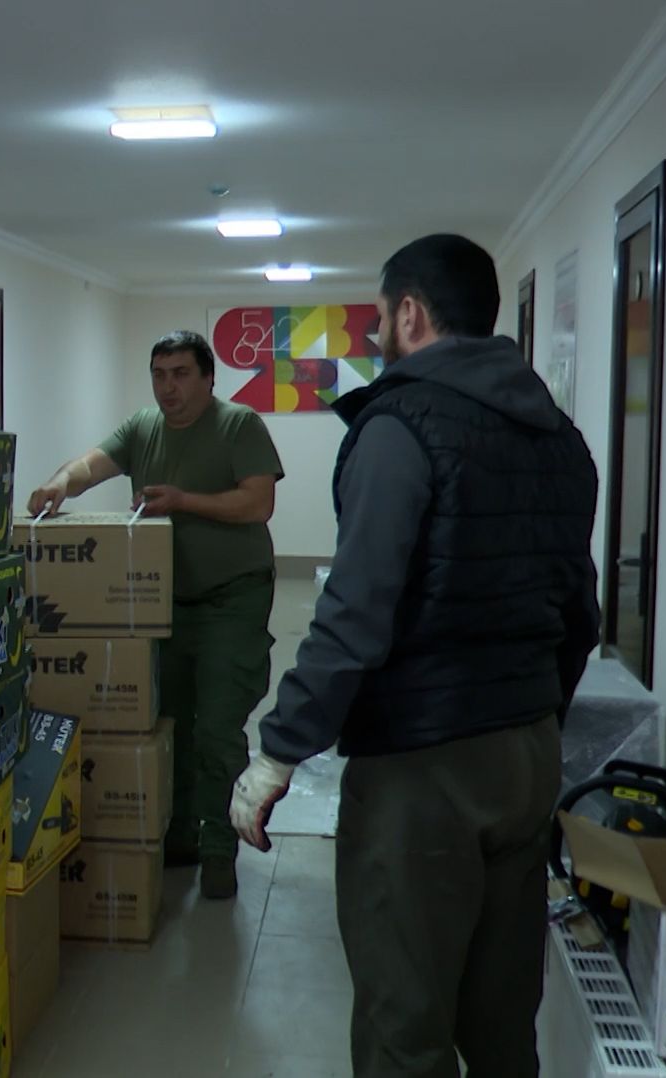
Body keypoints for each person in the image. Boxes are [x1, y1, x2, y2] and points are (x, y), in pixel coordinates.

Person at [229, 234, 600, 1077]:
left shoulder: (400, 427)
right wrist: (533, 714)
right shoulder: (558, 438)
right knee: (503, 1025)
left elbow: (356, 612)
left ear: (409, 312)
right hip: (528, 753)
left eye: (380, 315)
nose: (377, 334)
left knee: (407, 1026)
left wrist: (279, 750)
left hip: (424, 769)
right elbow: (579, 612)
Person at [28, 330, 284, 899]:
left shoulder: (238, 425)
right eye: (159, 375)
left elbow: (258, 501)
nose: (169, 388)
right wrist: (59, 483)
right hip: (164, 602)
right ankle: (180, 834)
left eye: (181, 374)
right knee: (170, 721)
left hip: (232, 599)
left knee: (216, 728)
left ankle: (218, 847)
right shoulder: (143, 427)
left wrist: (185, 501)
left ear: (208, 378)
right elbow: (91, 465)